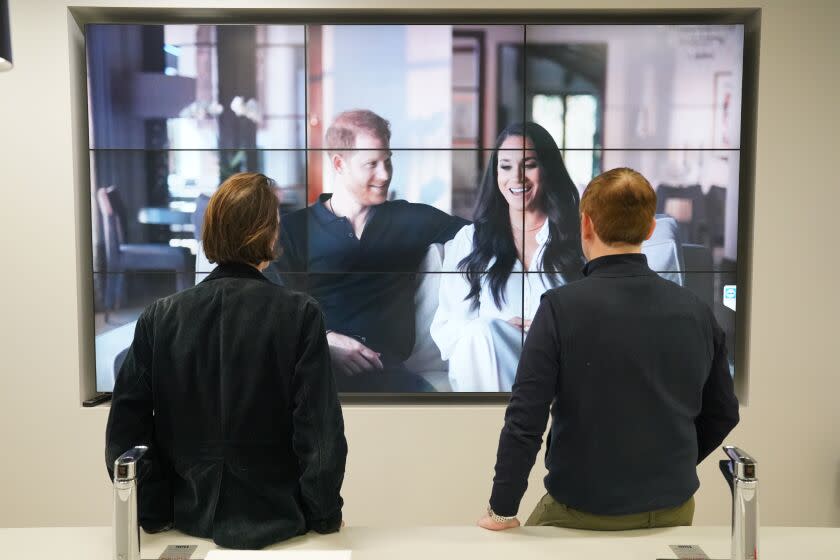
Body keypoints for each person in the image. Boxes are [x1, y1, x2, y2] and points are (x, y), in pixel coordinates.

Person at [478, 167, 739, 531]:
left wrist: (501, 510)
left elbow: (525, 420)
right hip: (673, 511)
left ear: (585, 225)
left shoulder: (558, 308)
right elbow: (724, 412)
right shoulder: (696, 311)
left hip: (581, 512)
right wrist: (668, 468)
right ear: (649, 230)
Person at [105, 172, 347, 549]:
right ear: (268, 234)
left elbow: (125, 433)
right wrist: (324, 517)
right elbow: (320, 434)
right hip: (280, 524)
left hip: (185, 521)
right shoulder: (300, 313)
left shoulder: (160, 315)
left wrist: (154, 513)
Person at [266, 109, 467, 392]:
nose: (384, 175)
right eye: (371, 164)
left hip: (388, 376)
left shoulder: (410, 219)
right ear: (339, 164)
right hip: (312, 371)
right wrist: (325, 339)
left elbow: (485, 236)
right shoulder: (294, 231)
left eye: (388, 161)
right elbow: (270, 306)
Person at [431, 122, 584, 392]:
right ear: (495, 172)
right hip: (492, 362)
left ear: (548, 169)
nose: (517, 177)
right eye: (506, 166)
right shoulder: (472, 240)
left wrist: (551, 330)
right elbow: (448, 331)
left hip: (559, 361)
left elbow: (600, 316)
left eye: (529, 164)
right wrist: (497, 330)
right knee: (481, 334)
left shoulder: (577, 235)